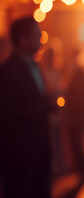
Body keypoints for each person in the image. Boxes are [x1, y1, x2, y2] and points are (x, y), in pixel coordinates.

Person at [0, 17, 54, 197]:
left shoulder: (34, 65)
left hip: (39, 154)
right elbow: (10, 112)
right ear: (23, 39)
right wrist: (46, 105)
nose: (41, 39)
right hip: (19, 157)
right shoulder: (7, 70)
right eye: (37, 35)